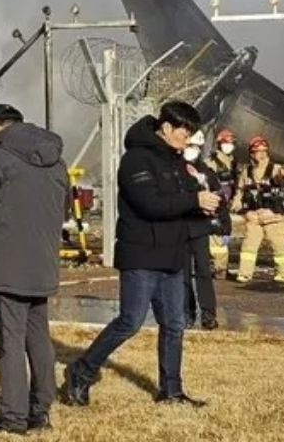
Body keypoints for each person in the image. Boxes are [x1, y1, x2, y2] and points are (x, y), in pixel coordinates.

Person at [62, 101, 218, 408]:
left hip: (172, 254)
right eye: (184, 133)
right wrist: (192, 199)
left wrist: (207, 209)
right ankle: (82, 370)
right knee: (130, 321)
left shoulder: (176, 162)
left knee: (174, 324)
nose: (186, 141)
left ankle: (171, 391)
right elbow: (151, 204)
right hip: (142, 254)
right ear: (167, 127)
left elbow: (184, 204)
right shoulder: (136, 159)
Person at [0, 103, 67, 434]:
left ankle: (12, 418)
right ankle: (41, 411)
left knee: (9, 341)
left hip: (6, 261)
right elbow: (63, 207)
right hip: (44, 261)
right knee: (39, 338)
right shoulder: (56, 159)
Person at [232, 136, 284, 283]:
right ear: (251, 154)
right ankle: (245, 273)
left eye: (264, 151)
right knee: (248, 246)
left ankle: (283, 272)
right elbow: (240, 189)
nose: (261, 154)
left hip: (272, 216)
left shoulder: (274, 168)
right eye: (257, 151)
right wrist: (237, 202)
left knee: (278, 245)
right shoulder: (247, 171)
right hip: (254, 216)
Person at [182, 132, 220, 330]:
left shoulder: (205, 171)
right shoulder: (175, 169)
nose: (191, 151)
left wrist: (221, 221)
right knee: (183, 273)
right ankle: (186, 312)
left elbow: (218, 193)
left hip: (199, 226)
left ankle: (208, 313)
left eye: (194, 147)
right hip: (180, 226)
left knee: (204, 270)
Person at [203, 129, 238, 280]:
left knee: (223, 230)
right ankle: (218, 268)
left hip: (226, 200)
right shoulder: (212, 162)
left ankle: (220, 267)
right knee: (217, 231)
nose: (228, 146)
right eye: (225, 143)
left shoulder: (233, 161)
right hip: (216, 200)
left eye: (230, 143)